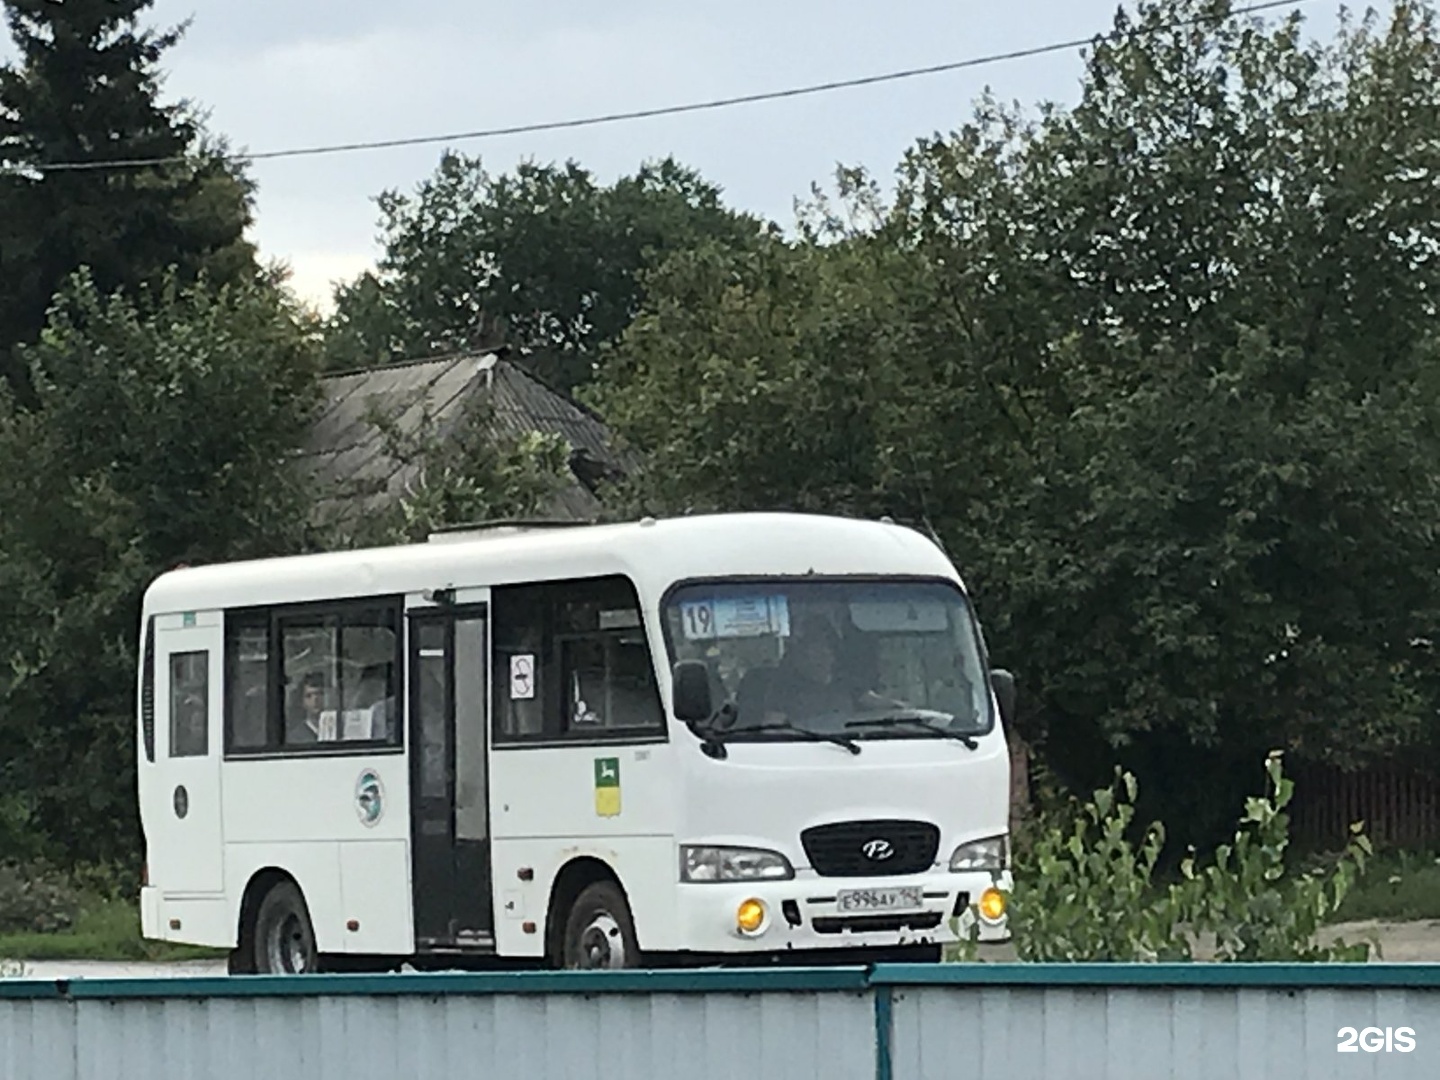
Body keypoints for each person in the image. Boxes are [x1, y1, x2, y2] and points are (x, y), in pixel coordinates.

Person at [761, 613, 897, 726]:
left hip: (849, 745)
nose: (823, 655)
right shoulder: (784, 688)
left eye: (827, 648)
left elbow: (876, 702)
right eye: (814, 648)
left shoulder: (847, 683)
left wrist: (908, 711)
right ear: (800, 654)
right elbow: (772, 725)